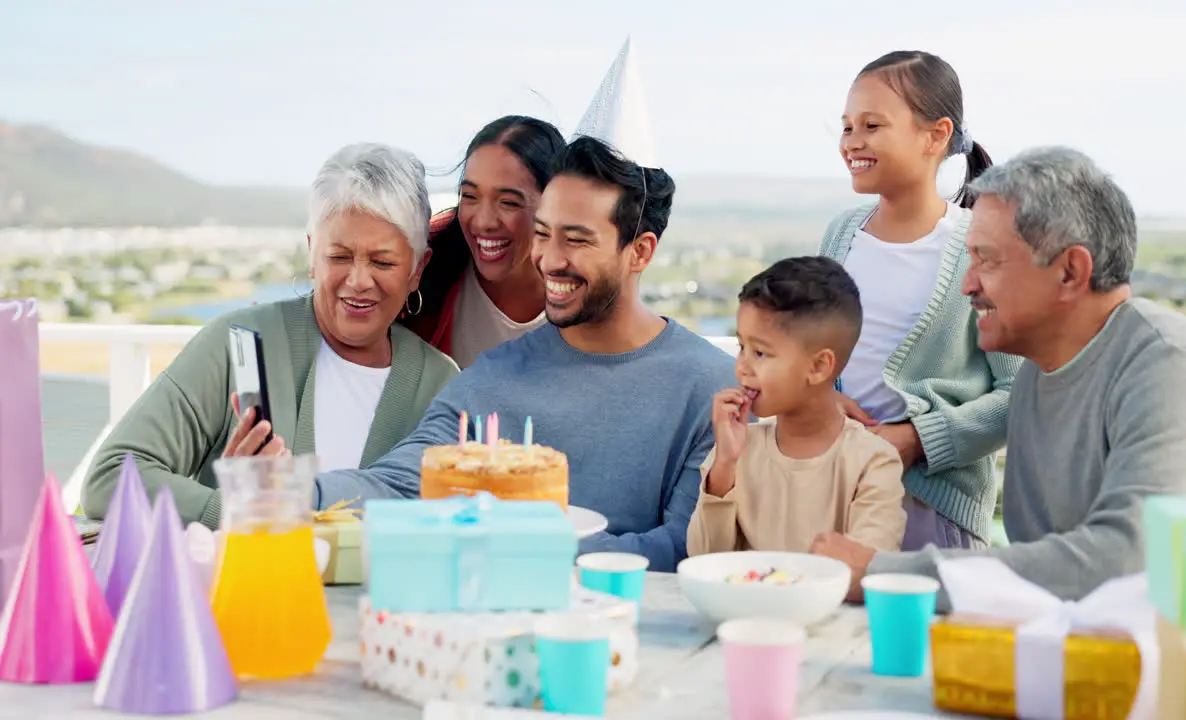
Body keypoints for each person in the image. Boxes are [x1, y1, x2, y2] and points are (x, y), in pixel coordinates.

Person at [811, 146, 1186, 606]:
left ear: (1071, 271)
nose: (968, 284)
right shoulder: (1036, 374)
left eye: (987, 260)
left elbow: (1124, 562)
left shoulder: (1174, 369)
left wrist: (880, 574)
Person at [314, 136, 736, 572]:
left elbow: (686, 545)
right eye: (542, 233)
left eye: (576, 240)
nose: (549, 260)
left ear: (640, 251)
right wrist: (289, 493)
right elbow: (400, 485)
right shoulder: (495, 377)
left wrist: (521, 552)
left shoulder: (713, 388)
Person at [82, 143, 459, 528]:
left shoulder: (440, 384)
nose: (358, 280)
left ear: (417, 268)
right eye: (339, 257)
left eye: (383, 262)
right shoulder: (237, 343)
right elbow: (110, 477)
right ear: (313, 254)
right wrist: (234, 509)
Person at [818, 50, 1022, 551]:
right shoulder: (841, 234)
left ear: (935, 135)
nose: (852, 142)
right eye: (846, 127)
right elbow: (812, 352)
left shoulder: (979, 247)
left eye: (872, 125)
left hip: (932, 513)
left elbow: (1020, 393)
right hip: (835, 495)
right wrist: (823, 397)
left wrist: (916, 440)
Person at [687, 257, 906, 557]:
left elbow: (865, 567)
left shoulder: (872, 462)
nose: (742, 367)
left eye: (760, 353)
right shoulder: (736, 451)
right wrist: (724, 464)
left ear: (818, 366)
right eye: (741, 347)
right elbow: (703, 557)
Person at [400, 116, 566, 368]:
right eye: (470, 196)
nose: (483, 222)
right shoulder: (421, 268)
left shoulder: (587, 296)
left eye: (508, 202)